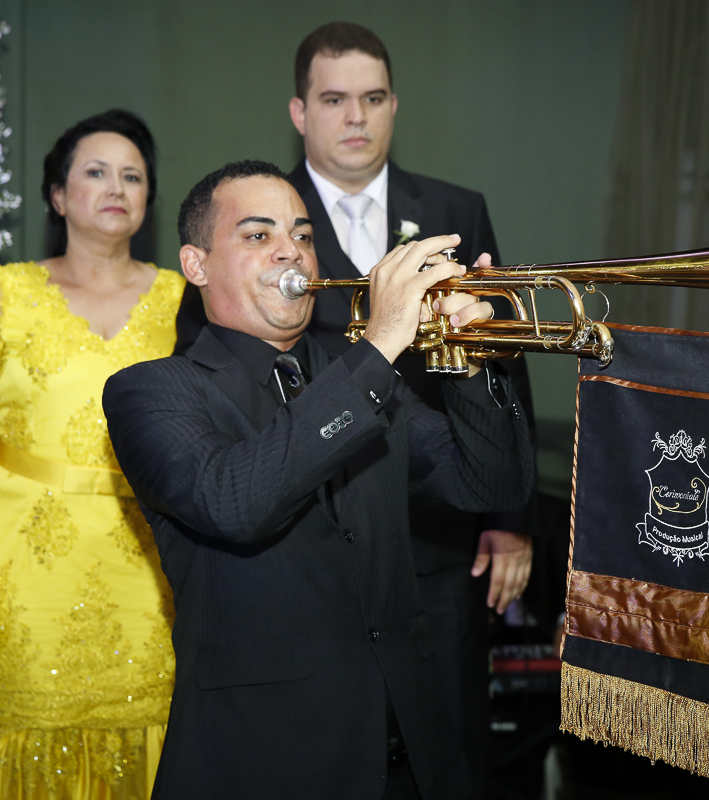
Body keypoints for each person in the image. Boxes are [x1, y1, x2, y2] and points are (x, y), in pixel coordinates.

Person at [175, 24, 537, 793]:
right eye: (335, 99)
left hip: (435, 530)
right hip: (294, 533)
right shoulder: (245, 210)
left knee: (445, 743)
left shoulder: (453, 205)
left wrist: (480, 363)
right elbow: (216, 389)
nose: (356, 118)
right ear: (300, 112)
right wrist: (381, 339)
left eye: (373, 100)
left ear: (394, 107)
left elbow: (496, 390)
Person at [102, 160, 533, 799]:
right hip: (264, 766)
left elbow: (489, 486)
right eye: (257, 236)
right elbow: (235, 502)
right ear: (196, 265)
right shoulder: (152, 391)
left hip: (412, 762)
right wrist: (382, 344)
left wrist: (467, 364)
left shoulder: (359, 377)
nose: (292, 252)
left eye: (302, 234)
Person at [0, 109, 183, 799]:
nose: (116, 187)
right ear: (58, 195)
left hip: (150, 572)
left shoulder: (181, 301)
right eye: (95, 172)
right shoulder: (4, 294)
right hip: (19, 571)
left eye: (132, 176)